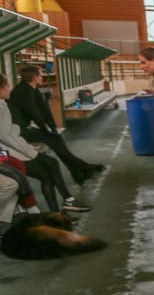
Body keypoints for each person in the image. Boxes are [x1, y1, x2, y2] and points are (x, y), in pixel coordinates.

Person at [0, 73, 91, 214]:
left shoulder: (3, 105)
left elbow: (8, 131)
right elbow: (6, 136)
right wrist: (30, 151)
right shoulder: (1, 107)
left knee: (47, 173)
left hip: (9, 151)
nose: (9, 89)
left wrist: (18, 132)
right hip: (6, 154)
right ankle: (66, 201)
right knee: (51, 164)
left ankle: (58, 211)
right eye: (7, 86)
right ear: (0, 89)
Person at [6, 66, 103, 185]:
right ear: (34, 78)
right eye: (40, 75)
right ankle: (81, 169)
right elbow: (34, 113)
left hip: (24, 127)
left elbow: (44, 109)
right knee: (54, 139)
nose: (42, 77)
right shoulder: (23, 91)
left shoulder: (32, 88)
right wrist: (46, 130)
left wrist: (53, 128)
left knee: (56, 139)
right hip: (16, 130)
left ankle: (78, 170)